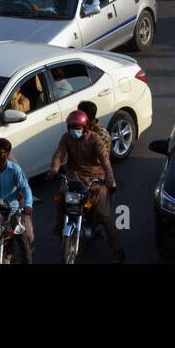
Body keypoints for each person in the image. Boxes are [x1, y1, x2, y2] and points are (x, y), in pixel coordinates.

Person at [46, 110, 123, 263]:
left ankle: (117, 251)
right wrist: (54, 169)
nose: (74, 131)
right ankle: (60, 224)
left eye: (78, 128)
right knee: (61, 197)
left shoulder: (95, 139)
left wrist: (110, 178)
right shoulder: (66, 138)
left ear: (85, 127)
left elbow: (105, 160)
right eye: (71, 128)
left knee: (104, 216)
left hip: (95, 178)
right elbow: (58, 154)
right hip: (73, 175)